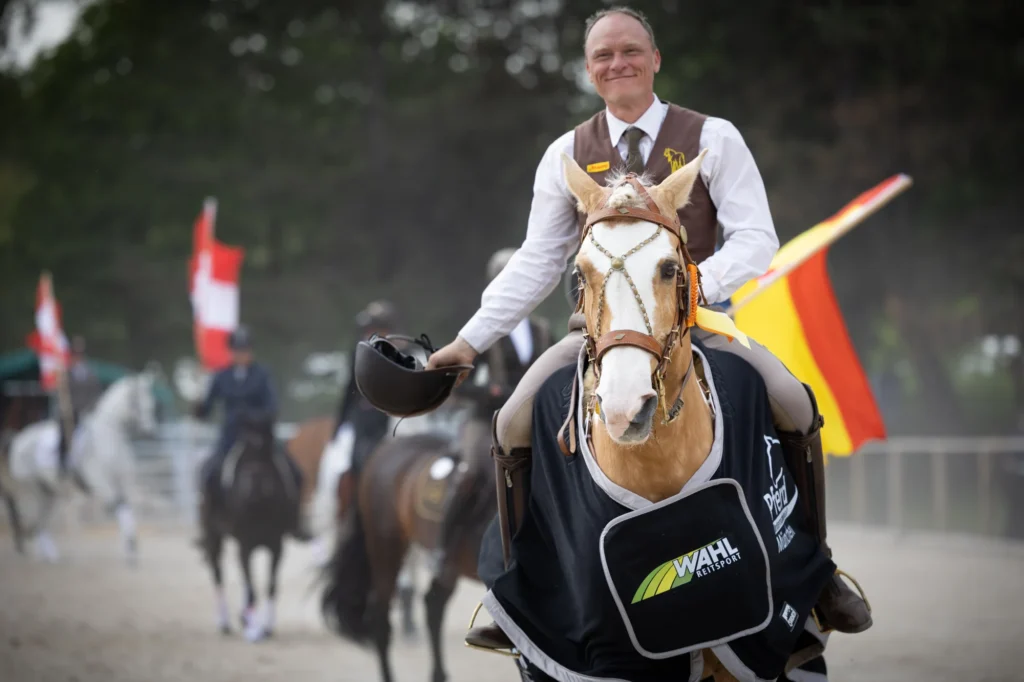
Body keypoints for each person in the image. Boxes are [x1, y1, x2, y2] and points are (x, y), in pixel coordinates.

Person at [426, 6, 870, 633]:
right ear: (589, 70)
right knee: (509, 424)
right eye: (603, 55)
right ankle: (519, 589)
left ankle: (817, 574)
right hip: (600, 334)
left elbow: (757, 239)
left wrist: (692, 289)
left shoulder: (715, 136)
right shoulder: (565, 155)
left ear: (655, 59)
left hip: (705, 322)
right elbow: (536, 261)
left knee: (794, 403)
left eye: (630, 50)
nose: (618, 63)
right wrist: (467, 342)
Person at [430, 248, 552, 576]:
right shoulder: (483, 331)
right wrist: (489, 392)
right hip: (487, 420)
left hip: (532, 420)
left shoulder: (542, 330)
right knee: (469, 473)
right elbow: (458, 383)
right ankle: (444, 550)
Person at [193, 325, 310, 543]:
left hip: (260, 439)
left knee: (295, 472)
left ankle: (295, 522)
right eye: (237, 350)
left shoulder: (262, 374)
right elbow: (206, 410)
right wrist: (198, 403)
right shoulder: (221, 377)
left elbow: (272, 407)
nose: (241, 355)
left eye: (245, 350)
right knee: (208, 473)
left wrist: (253, 417)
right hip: (230, 439)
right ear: (231, 352)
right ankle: (211, 525)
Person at [332, 300, 398, 483]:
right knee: (346, 461)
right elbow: (350, 390)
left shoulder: (398, 354)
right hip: (362, 421)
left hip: (390, 421)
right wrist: (340, 423)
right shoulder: (359, 352)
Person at [58, 335, 102, 484]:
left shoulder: (90, 373)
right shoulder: (66, 373)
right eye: (75, 353)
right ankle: (63, 462)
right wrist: (69, 406)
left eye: (80, 353)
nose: (78, 356)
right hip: (72, 411)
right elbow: (65, 393)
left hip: (89, 411)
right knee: (63, 430)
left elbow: (96, 391)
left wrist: (92, 406)